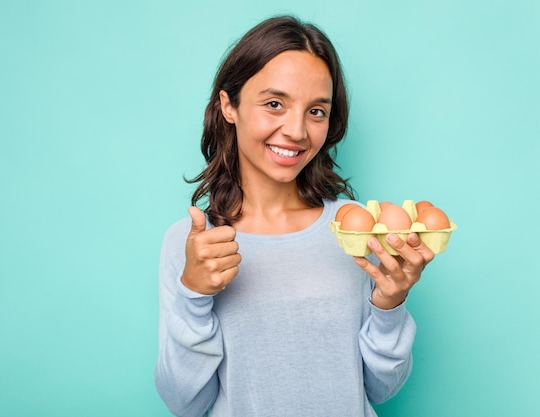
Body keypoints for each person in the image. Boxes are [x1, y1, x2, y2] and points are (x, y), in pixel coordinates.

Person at [154, 15, 435, 417]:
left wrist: (390, 304)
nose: (297, 131)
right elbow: (184, 403)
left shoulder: (356, 231)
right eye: (274, 104)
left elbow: (380, 389)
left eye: (316, 111)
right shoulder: (191, 244)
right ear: (228, 106)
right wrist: (194, 296)